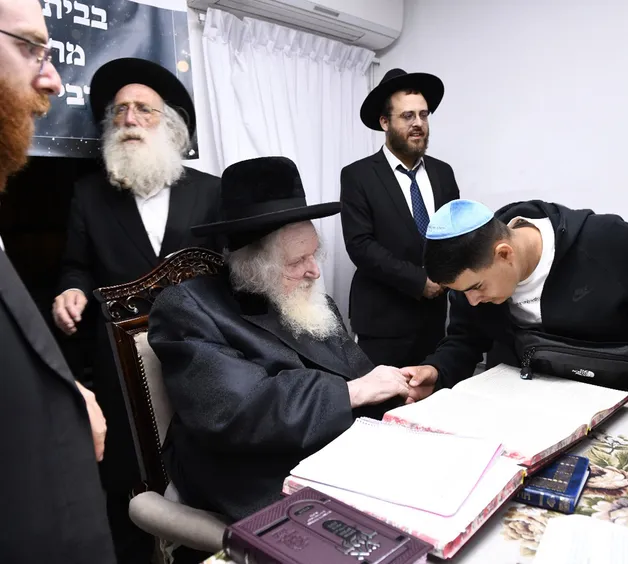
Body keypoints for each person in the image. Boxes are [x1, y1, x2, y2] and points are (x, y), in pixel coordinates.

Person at [148, 157, 411, 525]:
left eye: (313, 253)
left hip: (334, 451)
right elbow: (239, 411)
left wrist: (399, 392)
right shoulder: (188, 308)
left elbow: (361, 375)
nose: (314, 271)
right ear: (253, 265)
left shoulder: (310, 302)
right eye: (297, 260)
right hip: (254, 473)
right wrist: (352, 393)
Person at [52, 57, 222, 564]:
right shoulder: (88, 195)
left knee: (202, 478)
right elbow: (76, 266)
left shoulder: (210, 191)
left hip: (201, 362)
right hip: (120, 371)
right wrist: (71, 291)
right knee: (128, 487)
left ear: (169, 125)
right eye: (120, 110)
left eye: (143, 109)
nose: (129, 119)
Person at [402, 198, 628, 414]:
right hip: (527, 408)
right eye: (462, 292)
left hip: (623, 400)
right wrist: (437, 370)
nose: (472, 300)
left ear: (504, 254)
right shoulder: (471, 277)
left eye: (477, 287)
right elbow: (465, 339)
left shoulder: (605, 241)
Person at [0, 0, 115, 560]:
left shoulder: (204, 192)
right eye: (29, 48)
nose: (51, 79)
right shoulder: (89, 195)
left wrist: (62, 393)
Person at [340, 68, 460, 367]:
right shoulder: (358, 175)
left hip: (434, 319)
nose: (418, 123)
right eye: (408, 116)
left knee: (431, 393)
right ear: (385, 122)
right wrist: (419, 281)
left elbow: (456, 234)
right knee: (384, 395)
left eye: (423, 115)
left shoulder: (443, 172)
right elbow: (360, 245)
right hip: (382, 322)